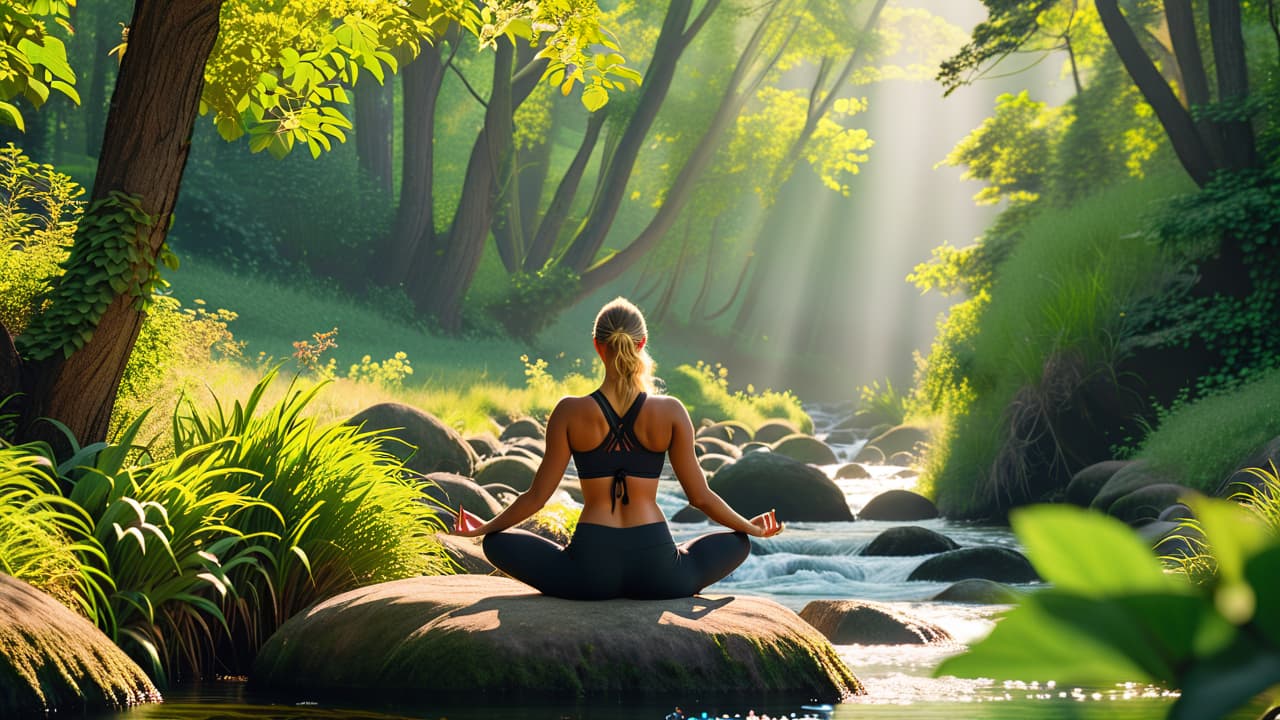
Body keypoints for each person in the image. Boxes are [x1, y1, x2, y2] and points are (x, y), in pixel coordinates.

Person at [451, 296, 782, 600]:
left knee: (497, 543)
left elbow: (537, 497)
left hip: (589, 572)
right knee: (737, 542)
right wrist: (751, 527)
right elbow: (700, 497)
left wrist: (483, 529)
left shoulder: (569, 411)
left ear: (598, 346)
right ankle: (682, 555)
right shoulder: (671, 412)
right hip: (658, 570)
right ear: (642, 344)